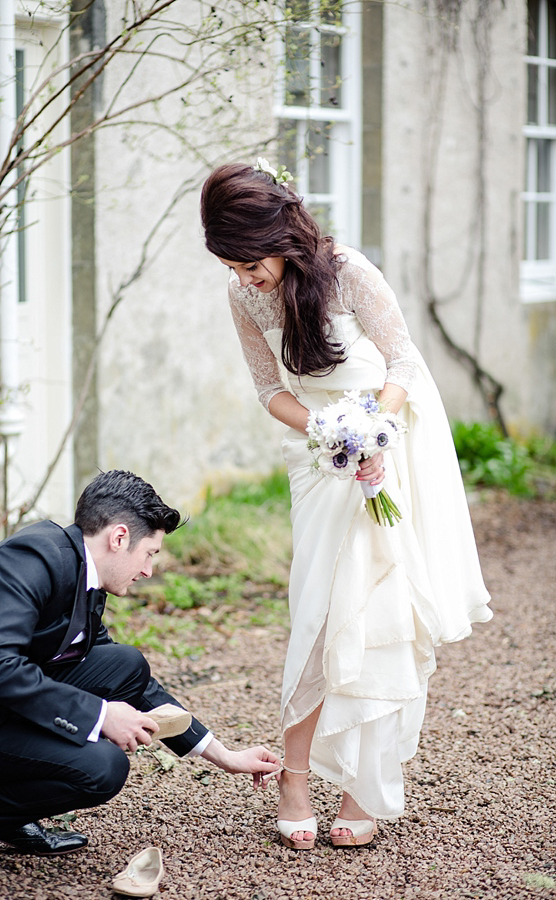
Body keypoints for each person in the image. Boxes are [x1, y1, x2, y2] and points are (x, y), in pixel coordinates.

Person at [200, 161, 493, 850]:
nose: (246, 278)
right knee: (319, 613)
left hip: (392, 451)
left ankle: (367, 783)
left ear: (282, 234)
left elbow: (403, 365)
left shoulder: (349, 271)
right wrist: (326, 431)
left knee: (385, 612)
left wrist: (372, 430)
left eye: (250, 263)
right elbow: (269, 389)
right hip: (320, 464)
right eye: (233, 267)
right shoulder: (243, 299)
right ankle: (293, 776)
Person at [0, 469, 280, 886]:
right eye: (150, 553)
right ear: (119, 537)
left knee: (124, 662)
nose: (148, 570)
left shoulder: (85, 573)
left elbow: (130, 682)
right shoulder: (30, 560)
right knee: (101, 767)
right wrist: (100, 715)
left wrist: (224, 755)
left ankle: (6, 815)